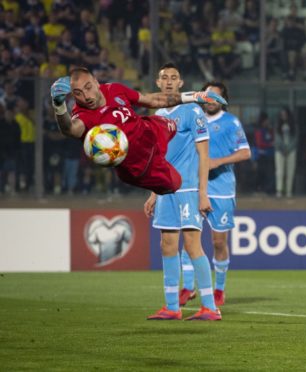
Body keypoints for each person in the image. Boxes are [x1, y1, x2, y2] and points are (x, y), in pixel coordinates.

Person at [49, 67, 227, 195]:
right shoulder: (82, 115)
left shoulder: (114, 89)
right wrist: (58, 105)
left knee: (172, 125)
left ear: (96, 82)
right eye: (78, 93)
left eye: (88, 87)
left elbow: (152, 100)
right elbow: (70, 130)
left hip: (151, 130)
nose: (86, 96)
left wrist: (195, 96)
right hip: (141, 165)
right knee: (176, 184)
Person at [144, 63, 220, 321]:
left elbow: (204, 153)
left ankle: (209, 306)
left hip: (187, 188)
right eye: (164, 77)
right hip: (165, 189)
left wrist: (203, 193)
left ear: (181, 83)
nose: (168, 81)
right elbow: (157, 157)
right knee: (167, 245)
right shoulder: (154, 116)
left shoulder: (191, 111)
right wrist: (153, 192)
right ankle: (171, 307)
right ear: (157, 83)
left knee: (191, 244)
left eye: (173, 77)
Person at [180, 81, 251, 307]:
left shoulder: (231, 122)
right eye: (208, 96)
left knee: (218, 242)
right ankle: (188, 288)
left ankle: (219, 289)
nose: (211, 100)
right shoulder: (192, 118)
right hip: (194, 187)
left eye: (215, 97)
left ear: (223, 100)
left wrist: (217, 162)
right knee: (189, 238)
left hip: (221, 190)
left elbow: (245, 152)